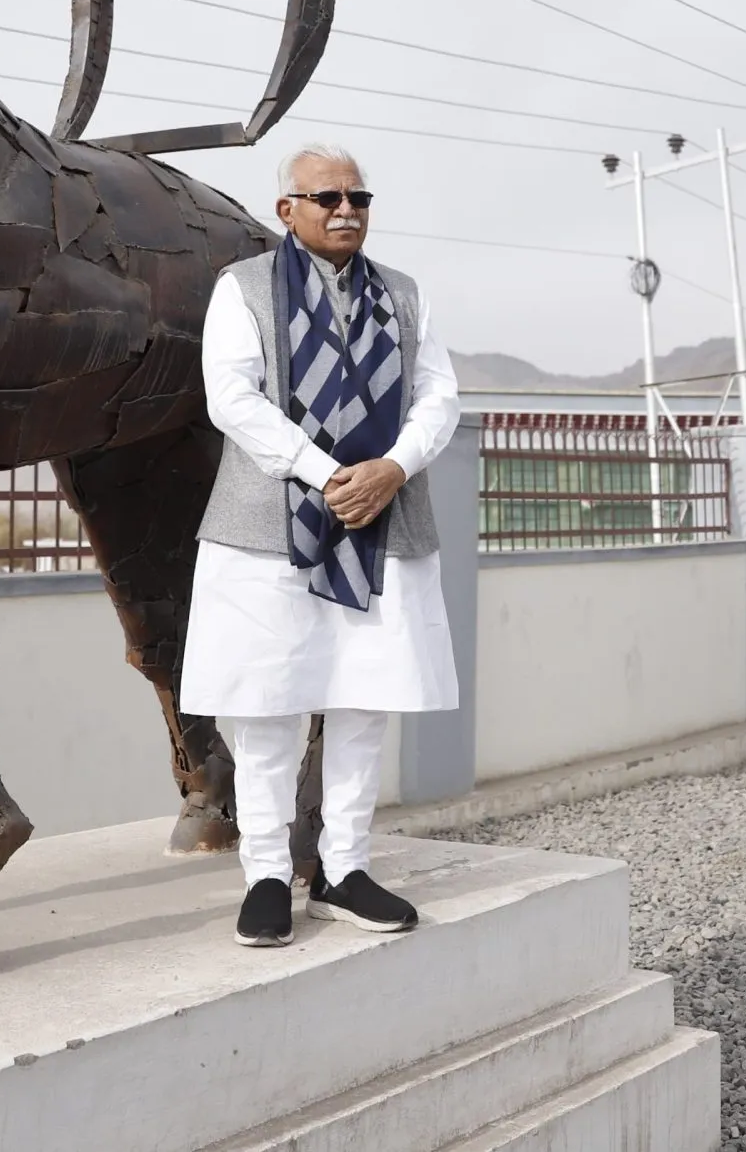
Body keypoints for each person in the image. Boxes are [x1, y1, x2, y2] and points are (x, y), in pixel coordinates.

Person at [180, 143, 461, 946]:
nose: (347, 209)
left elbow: (439, 395)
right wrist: (328, 471)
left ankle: (344, 869)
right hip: (268, 524)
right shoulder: (242, 289)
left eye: (359, 196)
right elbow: (231, 394)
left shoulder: (405, 295)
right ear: (287, 211)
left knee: (363, 701)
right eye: (327, 195)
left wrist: (393, 467)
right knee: (266, 704)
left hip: (386, 517)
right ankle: (267, 873)